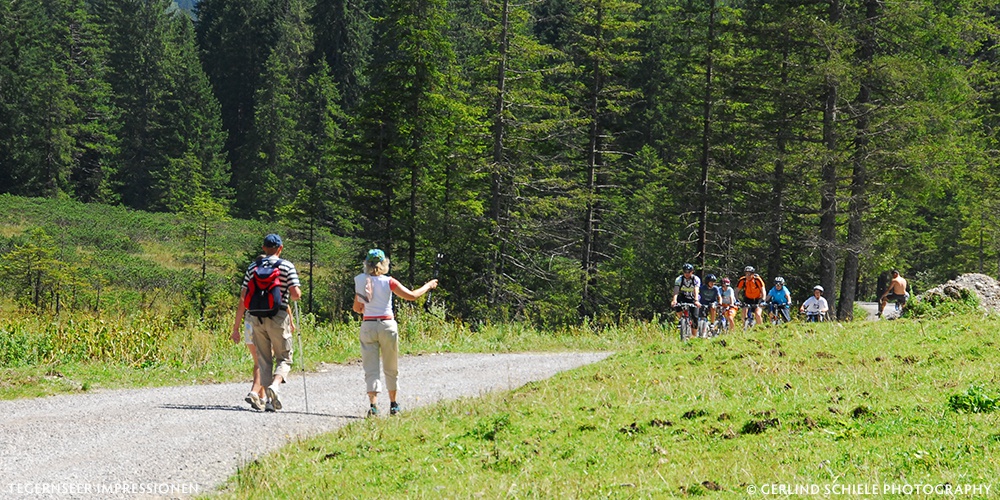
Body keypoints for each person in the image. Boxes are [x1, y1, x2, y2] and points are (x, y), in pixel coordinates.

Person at [353, 249, 438, 417]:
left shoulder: (362, 281)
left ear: (367, 264)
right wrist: (428, 285)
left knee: (371, 368)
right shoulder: (389, 282)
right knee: (391, 366)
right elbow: (412, 296)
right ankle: (393, 404)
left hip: (368, 325)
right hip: (387, 324)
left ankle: (373, 406)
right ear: (384, 264)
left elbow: (357, 308)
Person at [232, 234, 301, 412]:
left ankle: (269, 402)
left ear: (263, 248)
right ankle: (275, 387)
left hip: (256, 318)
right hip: (278, 316)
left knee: (263, 360)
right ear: (281, 248)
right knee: (284, 357)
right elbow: (295, 294)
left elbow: (244, 295)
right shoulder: (286, 265)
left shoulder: (253, 266)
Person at [670, 264, 702, 328]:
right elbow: (676, 290)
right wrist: (674, 300)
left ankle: (694, 335)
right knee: (677, 306)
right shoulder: (679, 279)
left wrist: (696, 300)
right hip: (683, 297)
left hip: (693, 297)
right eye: (685, 272)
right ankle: (681, 319)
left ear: (692, 272)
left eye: (689, 272)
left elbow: (696, 290)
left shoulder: (696, 279)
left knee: (695, 317)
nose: (687, 274)